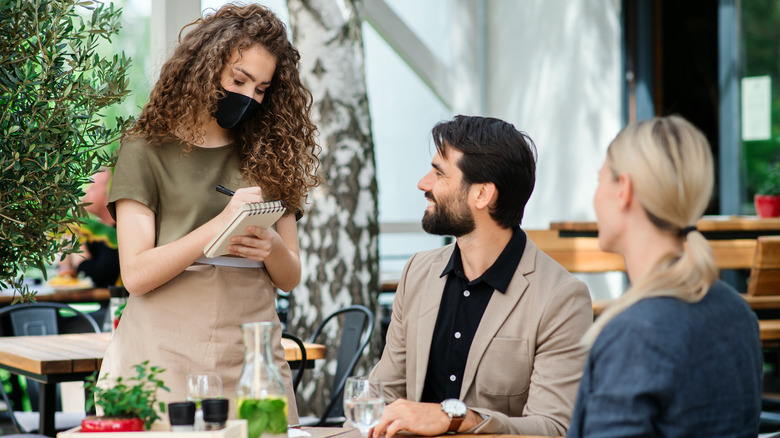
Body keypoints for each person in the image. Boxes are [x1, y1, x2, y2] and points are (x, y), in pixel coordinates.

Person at [98, 4, 320, 423]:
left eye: (261, 89)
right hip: (162, 350)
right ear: (204, 67)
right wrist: (221, 224)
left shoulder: (270, 153)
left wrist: (270, 245)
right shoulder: (144, 150)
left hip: (252, 354)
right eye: (240, 80)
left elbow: (289, 278)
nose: (250, 97)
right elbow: (137, 275)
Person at [369, 115, 593, 437]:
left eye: (439, 173)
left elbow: (554, 428)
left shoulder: (561, 298)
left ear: (482, 195)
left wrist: (456, 418)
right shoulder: (417, 272)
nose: (423, 183)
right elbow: (382, 394)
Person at [567, 116, 762, 437]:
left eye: (600, 179)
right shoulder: (737, 312)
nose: (594, 197)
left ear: (624, 190)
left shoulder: (634, 335)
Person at [58, 168, 121, 288]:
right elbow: (69, 270)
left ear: (108, 194)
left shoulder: (118, 233)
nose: (86, 192)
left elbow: (101, 276)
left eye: (92, 188)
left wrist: (79, 252)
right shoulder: (98, 232)